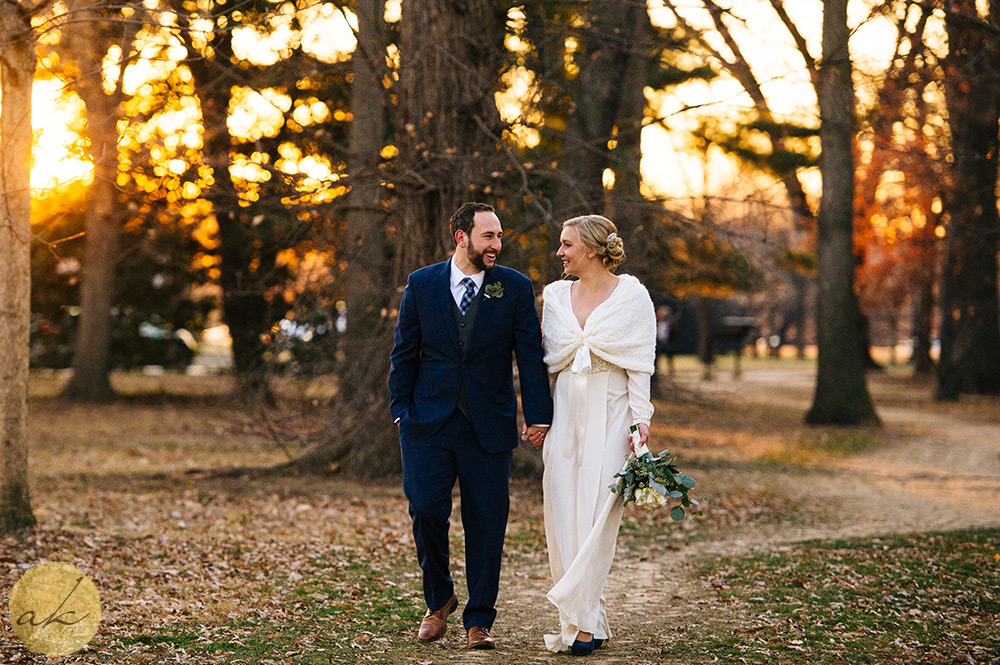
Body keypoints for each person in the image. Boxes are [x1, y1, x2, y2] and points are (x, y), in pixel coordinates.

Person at [388, 202, 553, 650]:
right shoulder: (422, 284)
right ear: (461, 237)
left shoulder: (514, 288)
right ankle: (439, 600)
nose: (497, 245)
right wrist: (400, 408)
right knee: (424, 509)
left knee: (486, 521)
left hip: (488, 424)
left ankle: (479, 619)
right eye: (488, 237)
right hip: (427, 423)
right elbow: (405, 351)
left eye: (499, 236)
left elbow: (529, 356)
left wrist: (539, 416)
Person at [538, 214, 656, 656]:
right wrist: (539, 419)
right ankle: (587, 616)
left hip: (613, 409)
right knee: (563, 509)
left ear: (590, 250)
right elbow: (544, 363)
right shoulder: (554, 295)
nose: (559, 252)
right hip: (566, 409)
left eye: (566, 245)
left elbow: (641, 362)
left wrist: (640, 422)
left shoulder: (633, 295)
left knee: (598, 513)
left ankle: (582, 623)